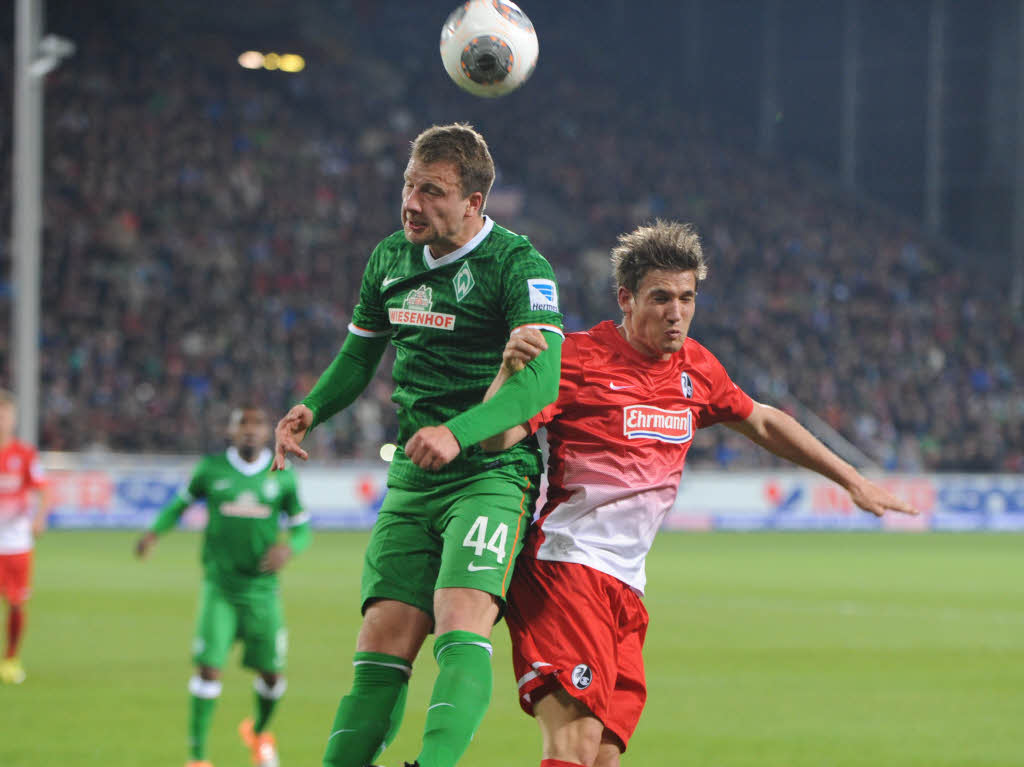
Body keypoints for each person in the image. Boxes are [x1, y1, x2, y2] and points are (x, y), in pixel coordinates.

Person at [480, 220, 920, 767]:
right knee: (569, 751)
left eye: (687, 298)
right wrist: (507, 372)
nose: (676, 312)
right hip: (567, 570)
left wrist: (852, 479)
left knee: (602, 757)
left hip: (626, 586)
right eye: (661, 297)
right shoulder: (576, 358)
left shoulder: (697, 368)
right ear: (626, 298)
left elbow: (761, 421)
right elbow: (497, 437)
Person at [272, 123, 564, 767]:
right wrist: (312, 407)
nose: (412, 203)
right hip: (413, 475)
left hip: (491, 471)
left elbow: (542, 382)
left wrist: (459, 433)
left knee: (461, 615)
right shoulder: (389, 259)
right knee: (382, 639)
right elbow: (358, 355)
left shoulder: (519, 265)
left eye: (432, 192)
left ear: (473, 204)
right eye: (409, 186)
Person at [135, 405, 310, 767]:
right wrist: (153, 534)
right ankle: (198, 758)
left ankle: (259, 732)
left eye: (257, 424)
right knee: (208, 670)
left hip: (263, 591)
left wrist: (288, 548)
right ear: (230, 432)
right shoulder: (210, 470)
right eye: (241, 425)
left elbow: (302, 528)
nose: (249, 430)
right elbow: (177, 506)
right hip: (221, 589)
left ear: (267, 432)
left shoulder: (283, 475)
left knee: (273, 677)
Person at [0, 389, 50, 685]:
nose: (2, 420)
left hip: (17, 542)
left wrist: (40, 518)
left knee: (17, 603)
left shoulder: (25, 454)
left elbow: (44, 489)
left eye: (6, 415)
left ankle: (11, 658)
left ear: (13, 419)